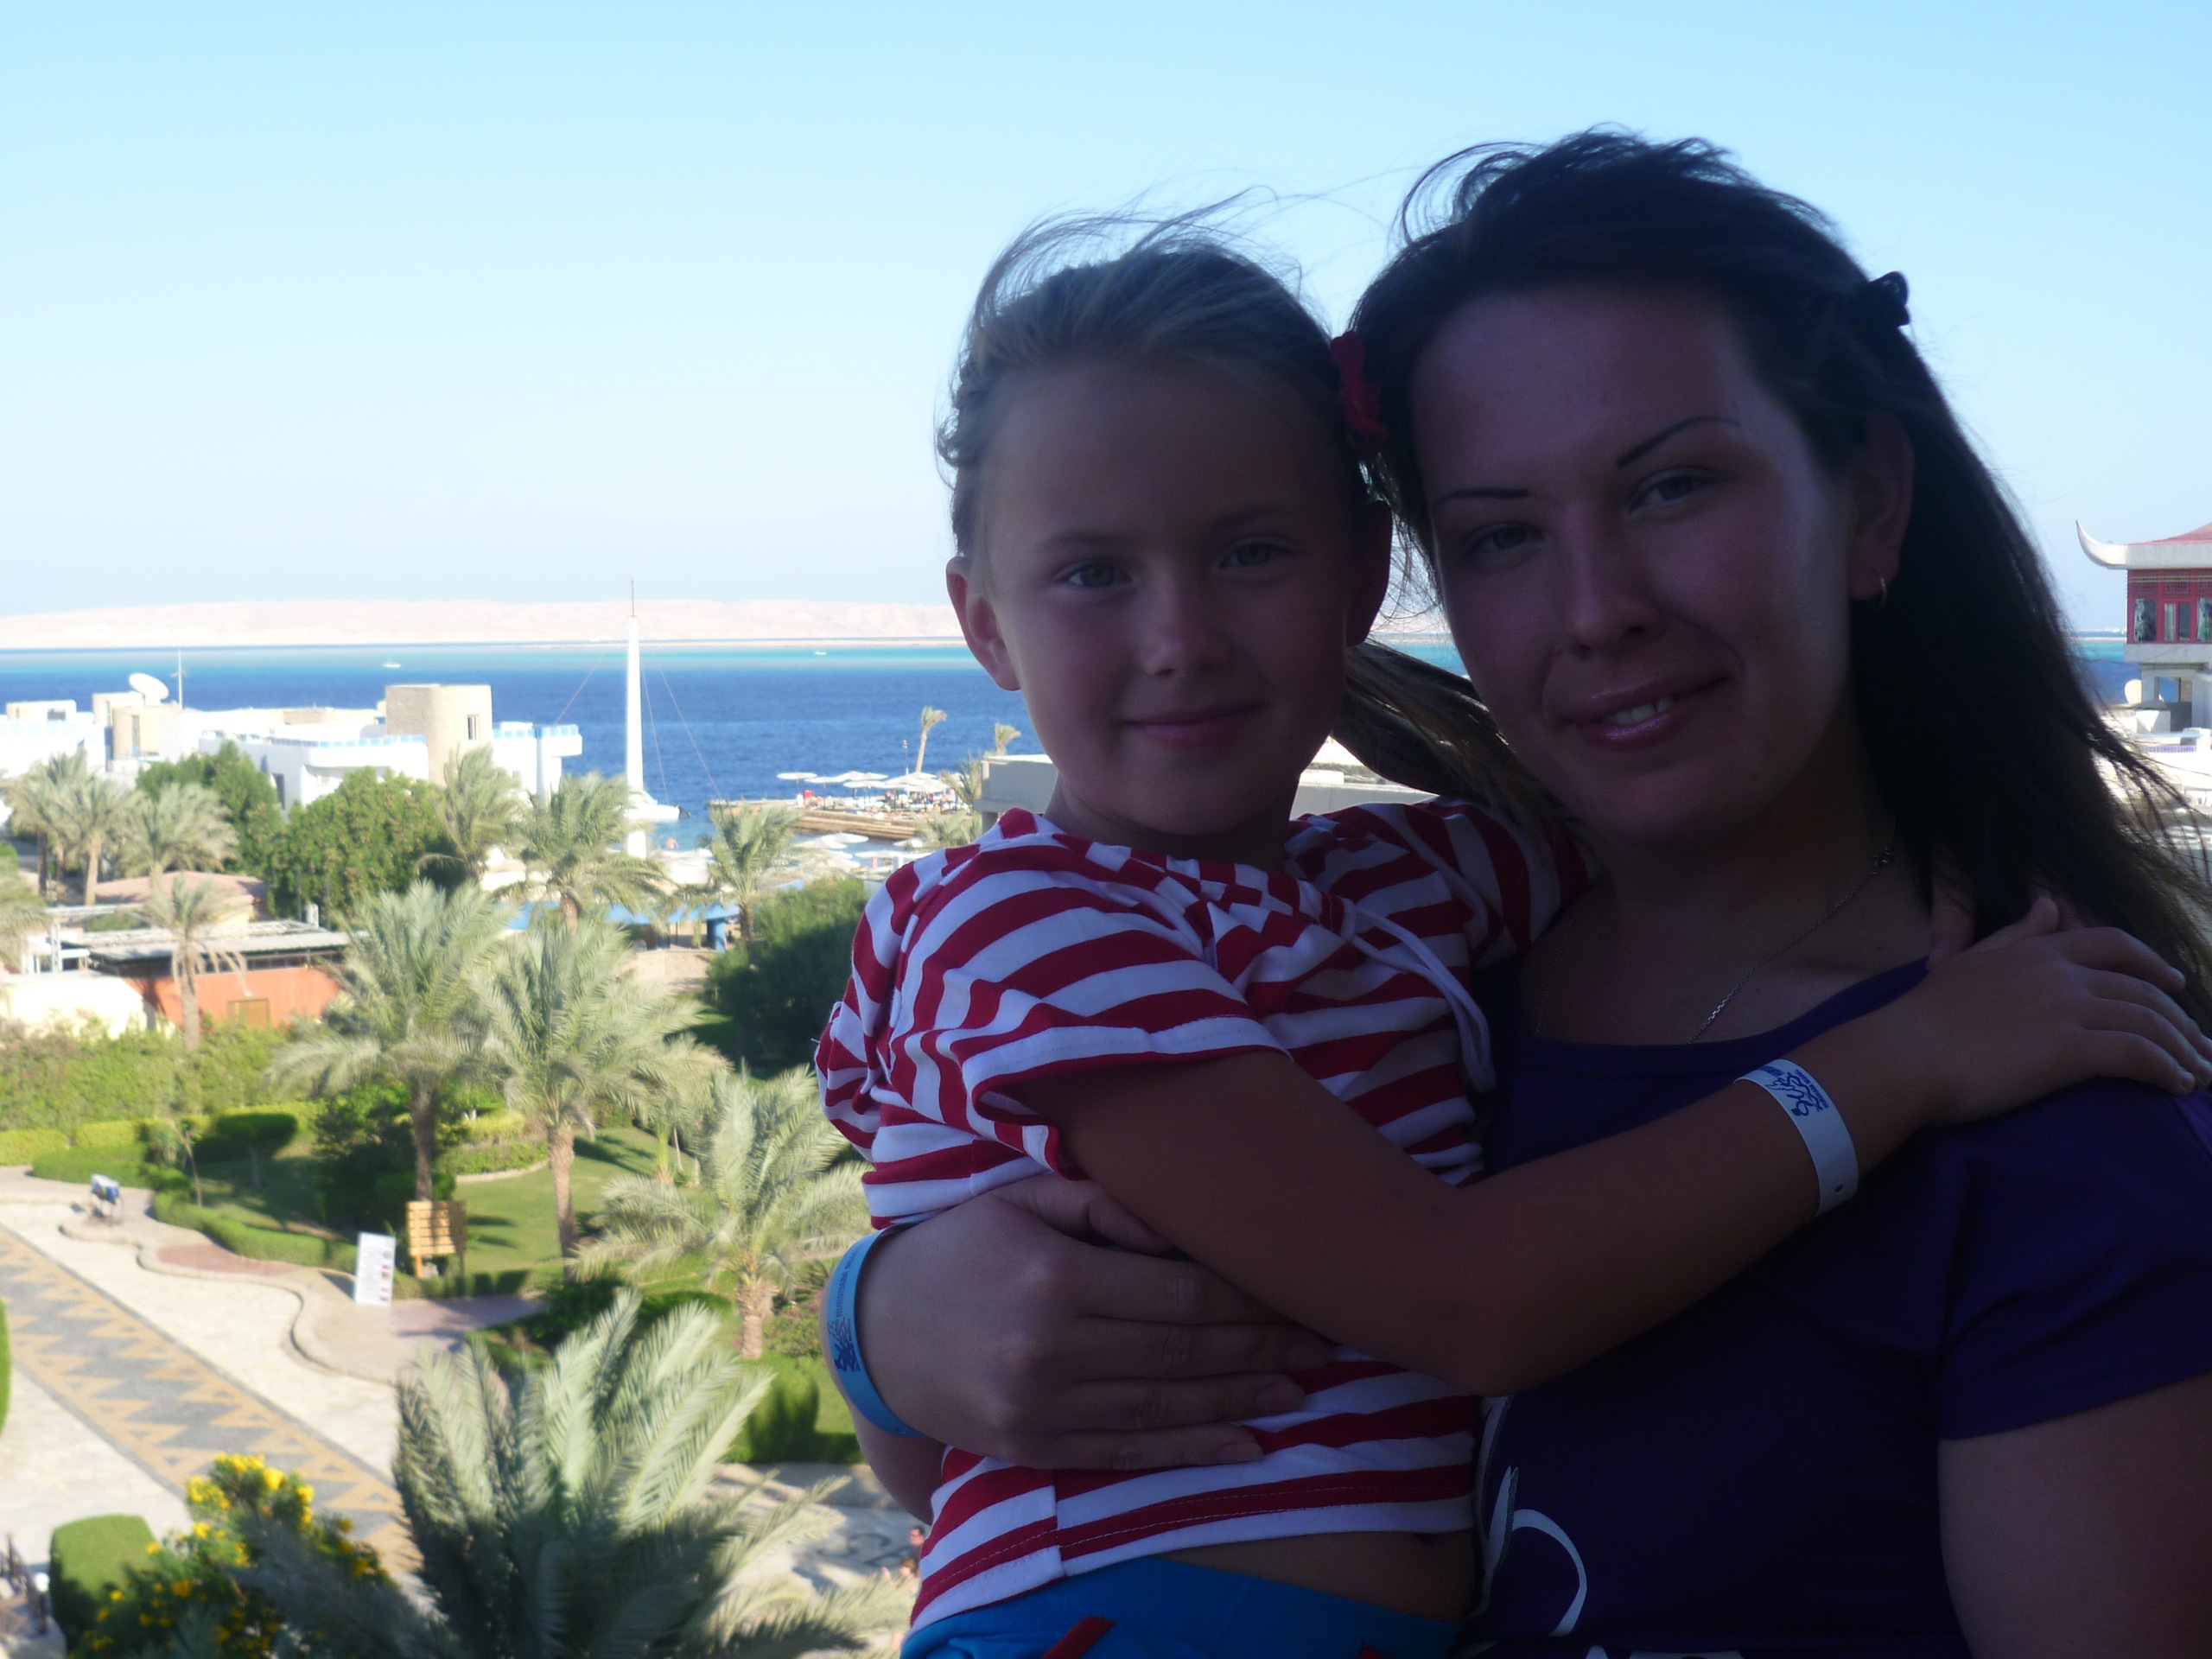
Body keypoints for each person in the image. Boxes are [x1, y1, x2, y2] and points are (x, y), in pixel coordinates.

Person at [818, 195, 2212, 1658]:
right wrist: (880, 1326)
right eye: (1500, 535)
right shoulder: (1049, 929)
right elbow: (1448, 1300)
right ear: (986, 623)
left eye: (1672, 488)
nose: (1180, 640)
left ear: (1361, 575)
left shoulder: (1413, 899)